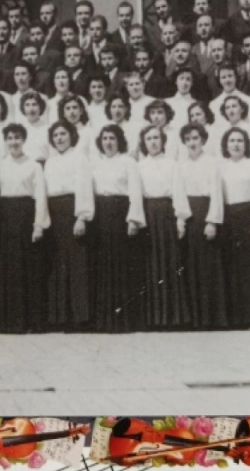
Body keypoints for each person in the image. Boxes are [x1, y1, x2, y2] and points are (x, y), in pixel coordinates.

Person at [0, 123, 50, 333]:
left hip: (26, 216)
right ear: (5, 141)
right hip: (5, 218)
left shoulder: (34, 165)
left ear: (23, 140)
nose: (14, 142)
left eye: (17, 137)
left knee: (28, 268)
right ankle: (8, 322)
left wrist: (38, 225)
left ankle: (30, 322)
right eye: (10, 138)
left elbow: (40, 196)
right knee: (8, 269)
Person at [89, 124, 145, 332]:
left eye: (112, 138)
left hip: (121, 213)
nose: (108, 142)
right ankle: (104, 321)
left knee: (122, 264)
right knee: (103, 265)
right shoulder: (95, 163)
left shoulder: (128, 162)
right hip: (101, 215)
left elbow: (135, 192)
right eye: (105, 138)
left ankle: (125, 321)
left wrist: (133, 219)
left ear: (119, 141)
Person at [136, 124, 191, 329]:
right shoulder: (139, 166)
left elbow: (178, 192)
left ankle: (172, 317)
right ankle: (152, 318)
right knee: (149, 262)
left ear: (163, 141)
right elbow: (136, 195)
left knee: (169, 261)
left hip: (167, 213)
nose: (153, 142)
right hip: (147, 214)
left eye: (156, 138)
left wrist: (180, 219)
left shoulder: (172, 164)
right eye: (149, 138)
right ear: (144, 143)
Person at [217, 126, 250, 329]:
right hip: (228, 218)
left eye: (240, 140)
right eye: (232, 141)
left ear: (246, 144)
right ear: (226, 145)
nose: (236, 144)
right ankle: (235, 319)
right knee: (231, 267)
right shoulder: (221, 167)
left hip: (248, 217)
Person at [42, 120, 94, 330]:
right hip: (54, 214)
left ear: (72, 136)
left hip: (72, 211)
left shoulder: (79, 158)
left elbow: (84, 187)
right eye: (55, 135)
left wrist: (81, 217)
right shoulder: (50, 161)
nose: (59, 138)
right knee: (57, 263)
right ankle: (59, 317)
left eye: (63, 134)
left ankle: (78, 318)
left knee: (76, 264)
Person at [176, 124, 227, 329]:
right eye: (188, 139)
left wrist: (212, 221)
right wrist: (181, 220)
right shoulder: (181, 165)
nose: (192, 143)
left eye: (195, 138)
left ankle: (212, 319)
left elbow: (216, 193)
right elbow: (179, 193)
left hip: (206, 213)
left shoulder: (212, 163)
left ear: (203, 140)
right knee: (190, 264)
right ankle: (195, 319)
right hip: (189, 215)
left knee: (209, 265)